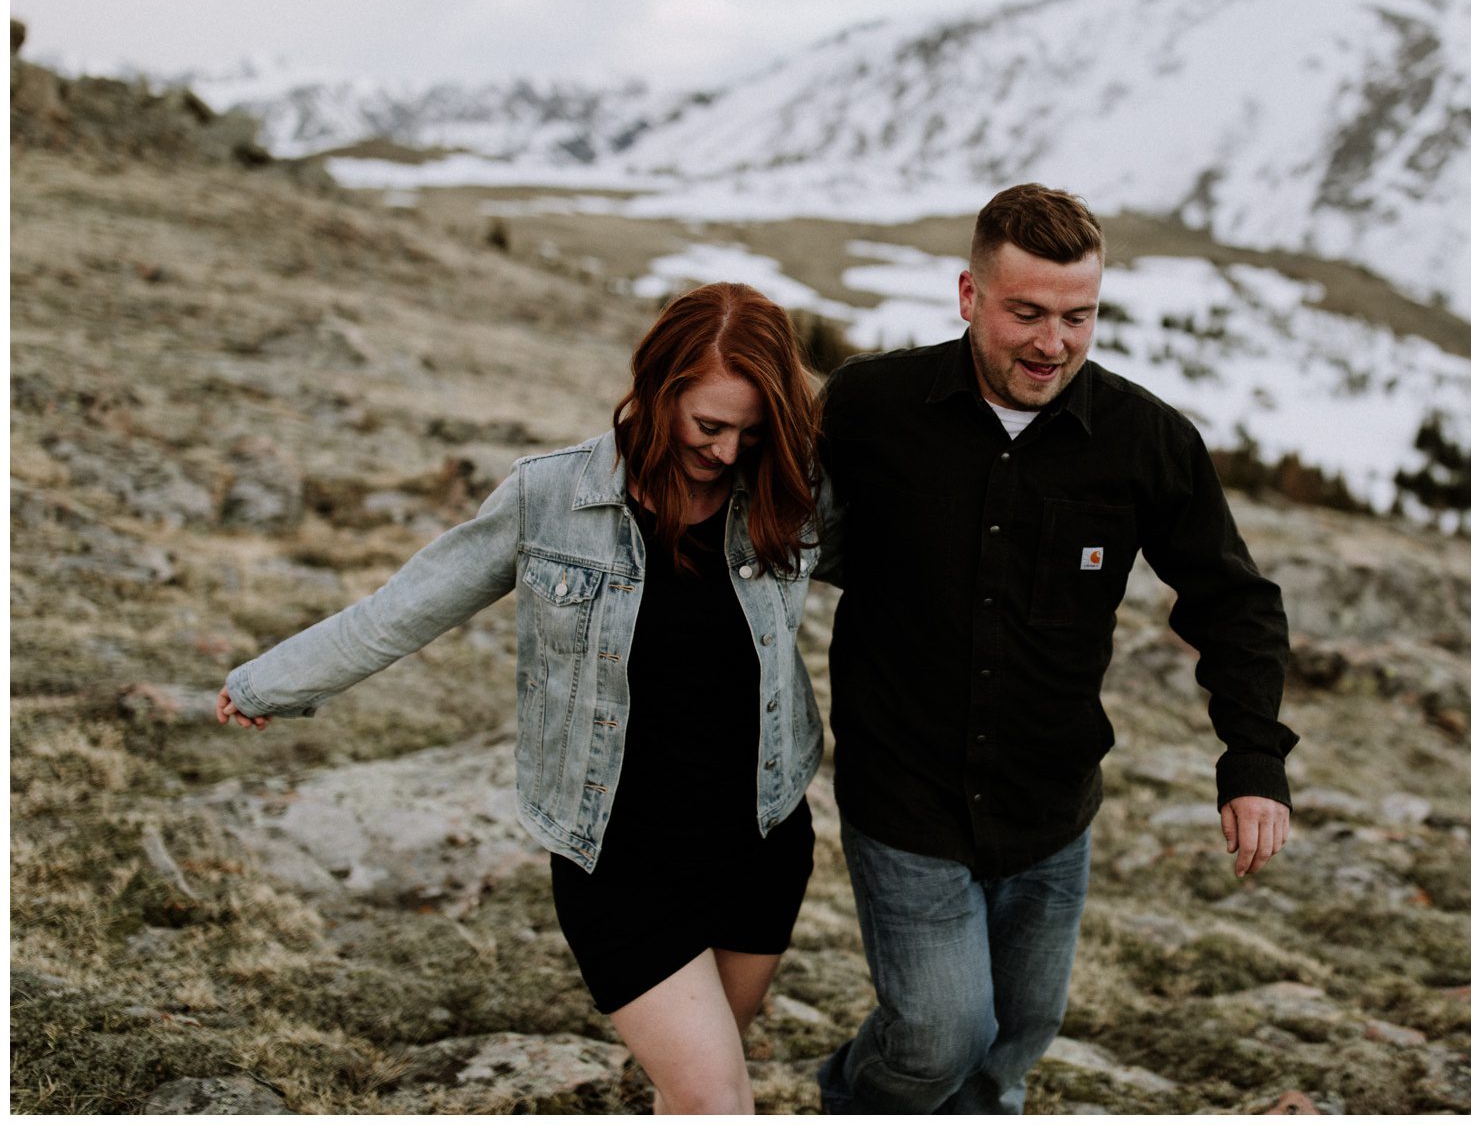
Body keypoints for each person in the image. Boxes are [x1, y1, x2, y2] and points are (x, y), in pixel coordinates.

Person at [216, 282, 831, 1114]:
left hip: (761, 840)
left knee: (695, 1090)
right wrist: (272, 682)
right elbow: (404, 608)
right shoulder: (551, 499)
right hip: (621, 861)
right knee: (718, 1101)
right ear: (657, 389)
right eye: (708, 426)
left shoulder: (785, 490)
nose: (726, 453)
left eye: (749, 433)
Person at [813, 183, 1298, 1113]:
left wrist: (1253, 758)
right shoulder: (874, 406)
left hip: (1049, 812)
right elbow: (760, 516)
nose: (1052, 343)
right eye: (1026, 313)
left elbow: (1233, 601)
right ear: (968, 296)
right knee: (937, 1039)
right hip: (904, 799)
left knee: (1008, 1053)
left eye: (1079, 316)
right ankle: (848, 1097)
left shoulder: (1147, 441)